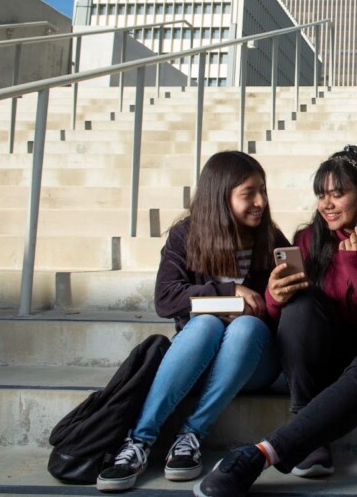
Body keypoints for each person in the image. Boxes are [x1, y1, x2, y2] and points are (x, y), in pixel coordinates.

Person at [193, 144, 357, 497]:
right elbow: (287, 323)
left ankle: (258, 455)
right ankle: (306, 421)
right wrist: (274, 297)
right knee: (302, 303)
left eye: (338, 194)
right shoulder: (309, 239)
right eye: (322, 195)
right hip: (329, 353)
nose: (327, 205)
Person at [96, 151, 296, 492]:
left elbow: (288, 311)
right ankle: (140, 441)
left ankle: (191, 433)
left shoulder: (270, 239)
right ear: (221, 196)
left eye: (262, 190)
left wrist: (274, 298)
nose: (260, 202)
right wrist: (227, 291)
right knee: (204, 323)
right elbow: (165, 299)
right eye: (249, 193)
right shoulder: (186, 236)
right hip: (198, 356)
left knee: (245, 327)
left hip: (253, 363)